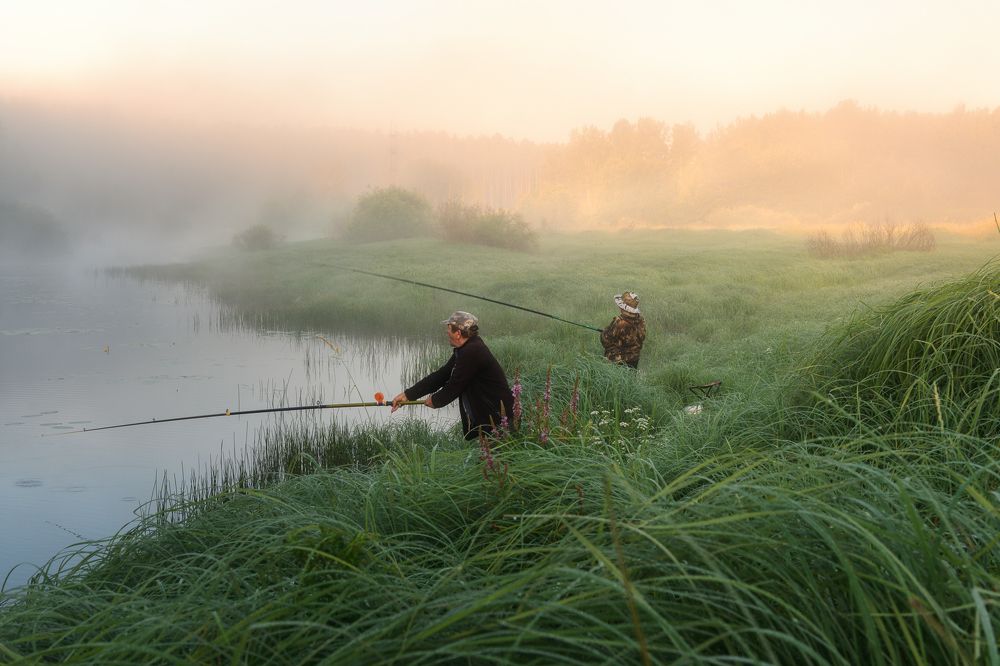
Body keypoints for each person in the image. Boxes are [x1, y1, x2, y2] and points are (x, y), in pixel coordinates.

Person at [391, 311, 514, 440]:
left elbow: (455, 385)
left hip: (500, 419)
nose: (446, 332)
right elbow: (442, 375)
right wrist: (408, 395)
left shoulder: (472, 351)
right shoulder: (466, 349)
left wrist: (436, 400)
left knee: (498, 458)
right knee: (489, 458)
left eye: (449, 329)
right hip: (491, 418)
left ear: (458, 333)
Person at [601, 291, 646, 369]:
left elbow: (606, 340)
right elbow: (641, 338)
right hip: (634, 359)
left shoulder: (619, 322)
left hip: (618, 361)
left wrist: (605, 332)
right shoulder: (641, 320)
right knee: (630, 379)